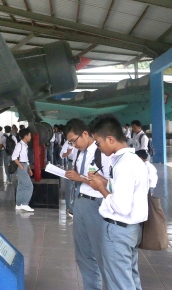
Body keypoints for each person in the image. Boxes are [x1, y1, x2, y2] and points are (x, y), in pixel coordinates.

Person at [87, 114, 148, 290]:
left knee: (119, 283)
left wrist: (101, 188)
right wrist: (106, 182)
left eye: (98, 143)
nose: (98, 147)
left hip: (119, 230)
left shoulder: (124, 165)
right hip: (131, 229)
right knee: (130, 278)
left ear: (110, 139)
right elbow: (126, 190)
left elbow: (121, 206)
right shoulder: (132, 160)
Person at [64, 118, 110, 290]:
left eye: (74, 141)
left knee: (100, 253)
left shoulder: (101, 152)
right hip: (81, 203)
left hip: (95, 205)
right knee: (83, 254)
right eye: (70, 142)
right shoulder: (79, 153)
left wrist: (80, 178)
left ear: (85, 133)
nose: (73, 145)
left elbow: (109, 182)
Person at [12, 128, 34, 212]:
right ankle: (25, 203)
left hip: (24, 165)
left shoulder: (25, 145)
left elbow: (26, 158)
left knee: (21, 186)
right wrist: (21, 166)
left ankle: (18, 204)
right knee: (29, 186)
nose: (30, 137)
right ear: (25, 136)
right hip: (21, 166)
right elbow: (14, 157)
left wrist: (28, 168)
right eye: (29, 135)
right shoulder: (19, 145)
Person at [60, 138, 78, 216]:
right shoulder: (68, 142)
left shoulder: (83, 141)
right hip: (71, 164)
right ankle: (69, 208)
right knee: (69, 186)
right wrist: (68, 153)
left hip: (80, 164)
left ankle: (75, 207)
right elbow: (61, 155)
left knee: (78, 187)